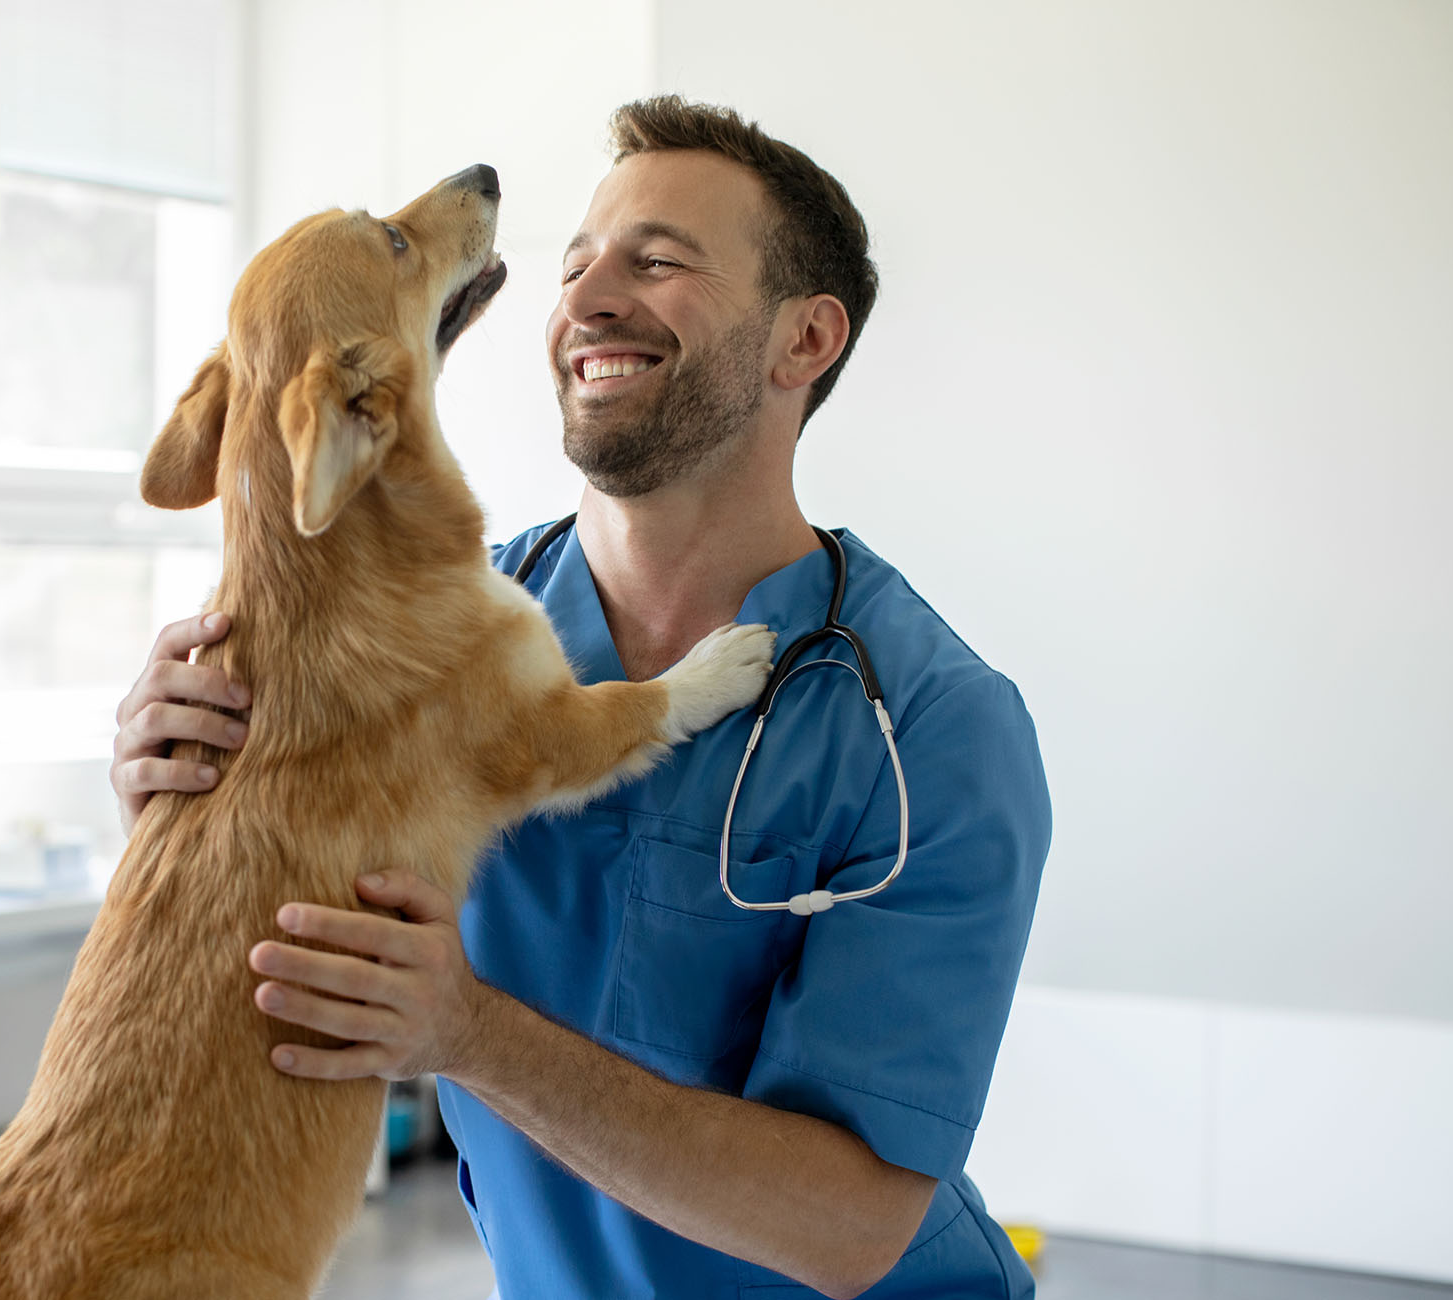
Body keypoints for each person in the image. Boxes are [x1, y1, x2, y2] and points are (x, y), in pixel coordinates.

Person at [110, 96, 1051, 1300]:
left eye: (656, 262)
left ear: (804, 342)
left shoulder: (931, 726)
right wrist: (177, 797)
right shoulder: (421, 646)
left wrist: (468, 1033)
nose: (586, 299)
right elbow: (283, 962)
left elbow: (851, 1224)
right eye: (574, 266)